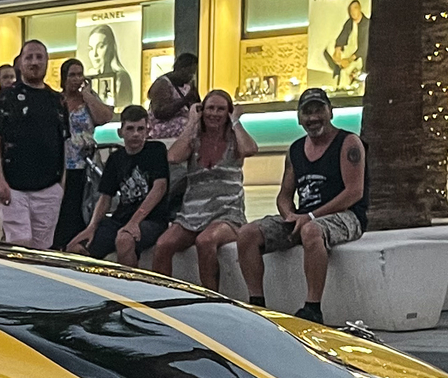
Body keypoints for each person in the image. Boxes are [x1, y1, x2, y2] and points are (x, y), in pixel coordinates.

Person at [234, 85, 366, 320]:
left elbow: (354, 192)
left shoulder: (349, 143)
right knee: (247, 233)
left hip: (345, 215)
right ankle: (257, 303)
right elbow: (284, 195)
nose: (313, 118)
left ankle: (313, 307)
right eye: (307, 112)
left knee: (312, 231)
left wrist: (312, 216)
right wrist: (289, 215)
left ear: (330, 112)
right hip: (304, 217)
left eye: (319, 111)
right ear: (299, 118)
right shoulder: (295, 149)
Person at [150, 90, 257, 288]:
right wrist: (191, 122)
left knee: (205, 241)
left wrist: (236, 120)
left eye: (221, 109)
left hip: (227, 213)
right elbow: (173, 157)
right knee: (163, 245)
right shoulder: (194, 139)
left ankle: (211, 298)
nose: (214, 113)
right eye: (210, 108)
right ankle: (162, 298)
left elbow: (250, 149)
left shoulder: (235, 139)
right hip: (192, 214)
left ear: (228, 112)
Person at [0, 39, 68, 248]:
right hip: (13, 187)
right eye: (29, 57)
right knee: (19, 243)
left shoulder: (57, 101)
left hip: (48, 187)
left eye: (39, 57)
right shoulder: (4, 98)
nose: (34, 62)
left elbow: (64, 142)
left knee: (42, 249)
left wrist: (61, 185)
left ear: (47, 62)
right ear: (20, 62)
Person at [72, 104, 172, 266]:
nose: (136, 134)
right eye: (130, 129)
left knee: (124, 239)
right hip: (120, 219)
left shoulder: (156, 150)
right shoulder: (116, 159)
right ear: (121, 132)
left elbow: (159, 188)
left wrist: (134, 222)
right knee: (76, 248)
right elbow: (105, 198)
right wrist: (91, 227)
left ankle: (129, 288)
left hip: (151, 220)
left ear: (147, 131)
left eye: (140, 129)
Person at [52, 58, 114, 246]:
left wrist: (87, 95)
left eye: (80, 74)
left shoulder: (88, 99)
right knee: (63, 209)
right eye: (72, 75)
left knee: (84, 205)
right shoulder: (57, 100)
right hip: (62, 163)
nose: (76, 78)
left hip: (85, 162)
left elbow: (104, 117)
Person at [320, 0, 369, 92]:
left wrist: (349, 59)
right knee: (328, 48)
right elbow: (343, 35)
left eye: (354, 9)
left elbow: (364, 47)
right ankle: (338, 65)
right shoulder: (349, 23)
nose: (353, 13)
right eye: (351, 11)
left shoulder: (366, 24)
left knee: (348, 69)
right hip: (347, 50)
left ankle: (346, 80)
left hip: (357, 56)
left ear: (359, 9)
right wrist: (337, 50)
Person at [81, 24, 134, 106]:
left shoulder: (121, 77)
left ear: (110, 48)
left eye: (100, 46)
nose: (95, 54)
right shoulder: (87, 79)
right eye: (91, 49)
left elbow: (122, 107)